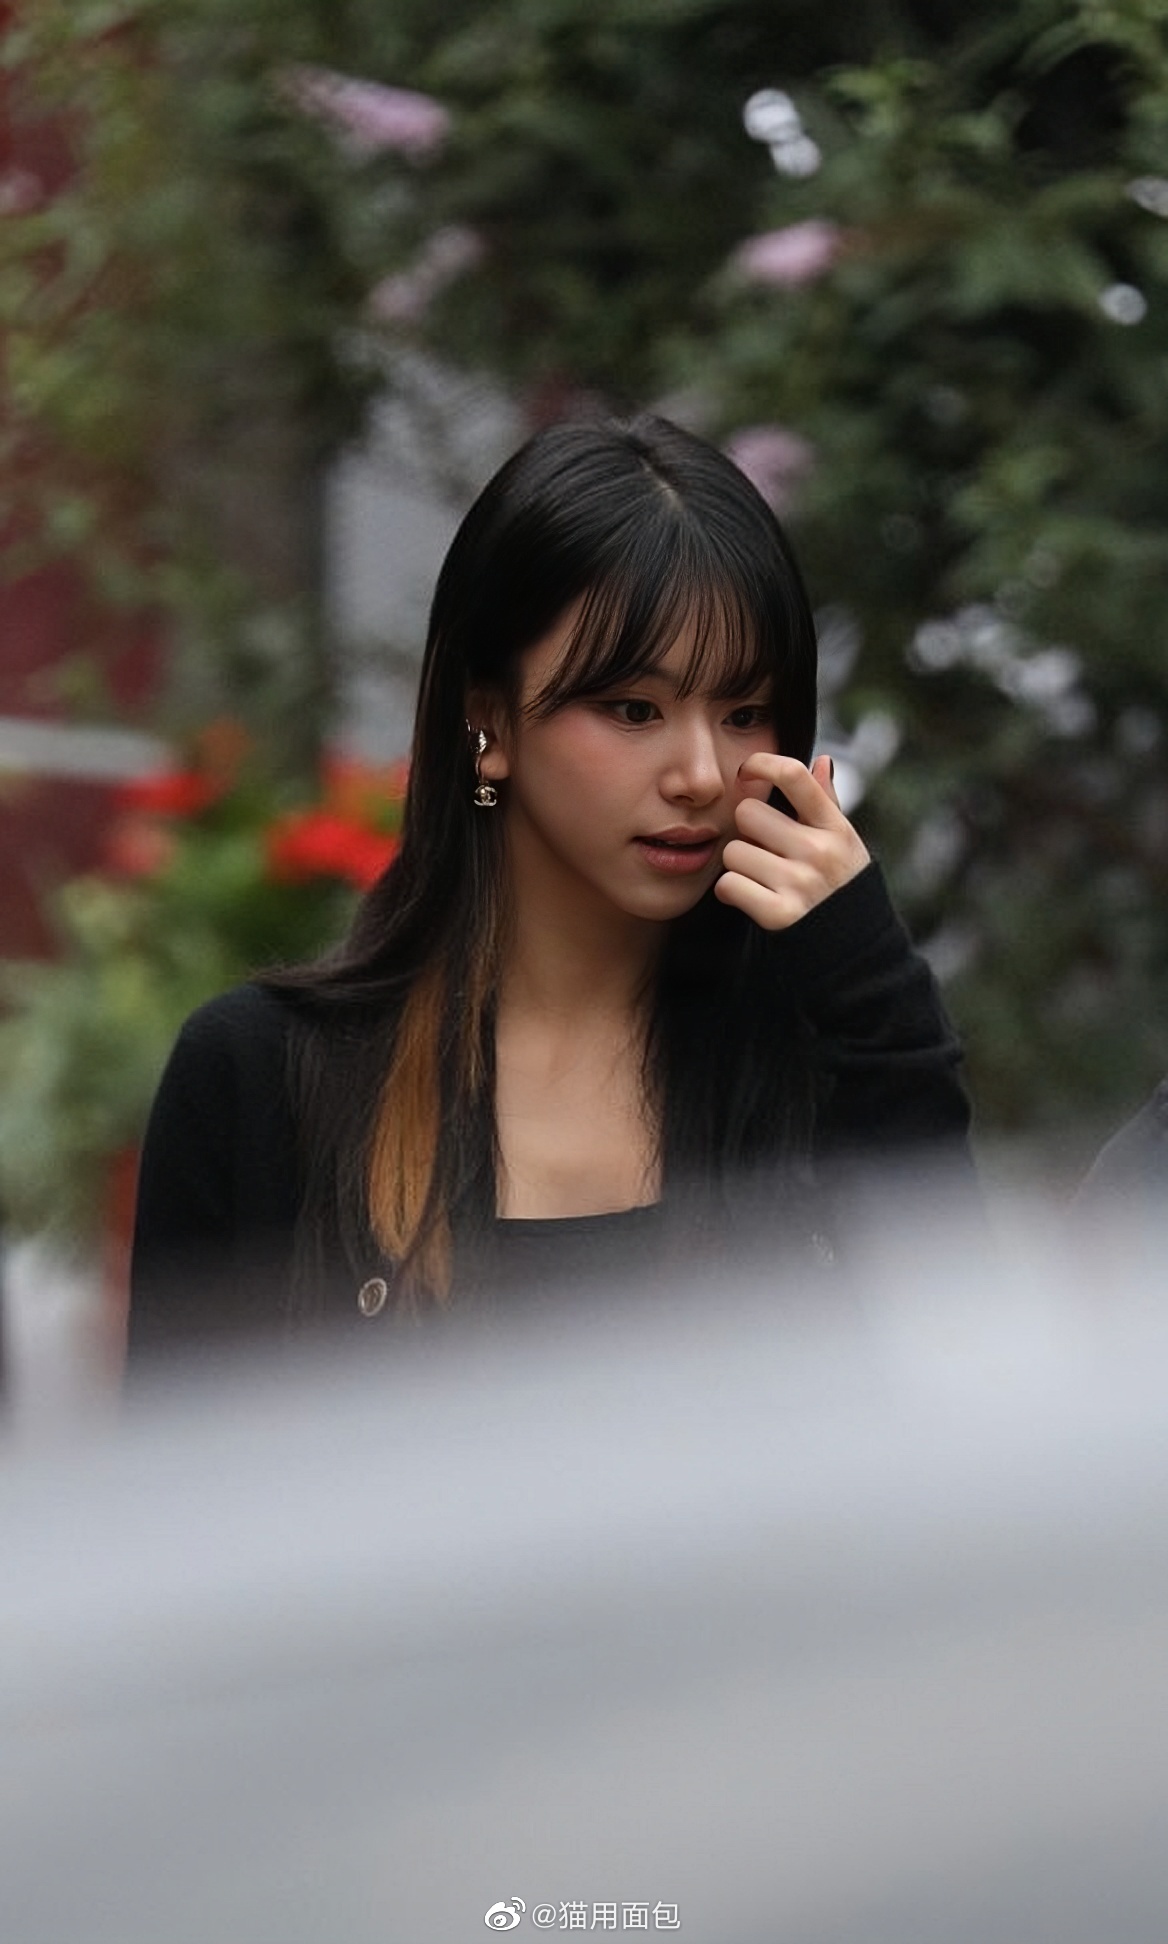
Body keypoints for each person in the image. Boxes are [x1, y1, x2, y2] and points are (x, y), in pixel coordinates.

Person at [129, 413, 973, 1360]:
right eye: (634, 709)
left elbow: (959, 1384)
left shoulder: (822, 1062)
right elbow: (181, 1453)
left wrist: (878, 994)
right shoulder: (261, 1080)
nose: (701, 773)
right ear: (489, 720)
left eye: (745, 713)